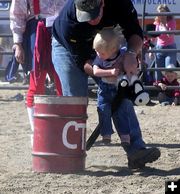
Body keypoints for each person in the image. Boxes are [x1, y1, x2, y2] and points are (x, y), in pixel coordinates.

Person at [52, 0, 161, 169]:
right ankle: (71, 155)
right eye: (86, 16)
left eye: (95, 15)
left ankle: (136, 151)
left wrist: (130, 54)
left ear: (103, 3)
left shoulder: (119, 3)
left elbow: (134, 32)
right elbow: (82, 61)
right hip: (68, 49)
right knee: (75, 99)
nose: (91, 20)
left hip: (107, 43)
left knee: (120, 92)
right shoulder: (69, 21)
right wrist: (106, 71)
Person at [10, 0, 66, 143]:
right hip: (37, 31)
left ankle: (63, 128)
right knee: (36, 84)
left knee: (62, 84)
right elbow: (17, 14)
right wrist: (17, 43)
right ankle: (37, 130)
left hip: (61, 30)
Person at [92, 27, 130, 144]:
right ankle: (106, 134)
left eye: (101, 52)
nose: (98, 54)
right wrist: (110, 72)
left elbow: (131, 58)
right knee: (103, 109)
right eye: (97, 51)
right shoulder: (99, 58)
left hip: (119, 88)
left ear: (113, 49)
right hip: (104, 88)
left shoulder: (122, 54)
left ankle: (125, 135)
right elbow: (95, 71)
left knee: (121, 111)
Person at [153, 4, 177, 81]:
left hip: (170, 49)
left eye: (163, 13)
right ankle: (160, 92)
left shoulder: (171, 21)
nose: (161, 16)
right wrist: (151, 48)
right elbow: (154, 36)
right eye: (159, 13)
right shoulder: (156, 22)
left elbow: (170, 35)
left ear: (167, 13)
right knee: (158, 73)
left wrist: (164, 24)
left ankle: (171, 91)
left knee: (169, 70)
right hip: (159, 49)